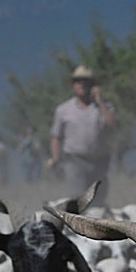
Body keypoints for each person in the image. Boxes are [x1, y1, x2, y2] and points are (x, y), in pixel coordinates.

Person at [46, 65, 117, 204]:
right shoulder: (63, 110)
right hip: (75, 160)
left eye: (86, 81)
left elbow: (113, 126)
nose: (81, 84)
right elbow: (56, 136)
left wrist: (100, 101)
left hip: (99, 161)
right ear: (73, 85)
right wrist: (55, 158)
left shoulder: (104, 108)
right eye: (78, 81)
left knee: (98, 199)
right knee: (78, 199)